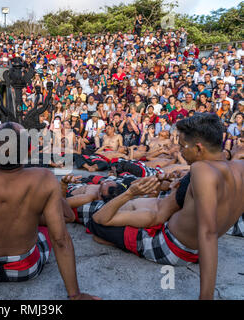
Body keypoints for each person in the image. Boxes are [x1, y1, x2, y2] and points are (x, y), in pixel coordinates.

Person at [87, 113, 244, 300]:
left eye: (183, 145)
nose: (180, 150)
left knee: (96, 225)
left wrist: (206, 297)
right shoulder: (239, 167)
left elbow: (208, 232)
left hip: (172, 247)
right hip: (192, 245)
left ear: (199, 147)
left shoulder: (201, 170)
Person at [0, 122, 100, 300]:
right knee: (45, 228)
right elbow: (60, 239)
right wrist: (75, 295)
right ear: (28, 151)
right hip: (26, 268)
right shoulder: (44, 178)